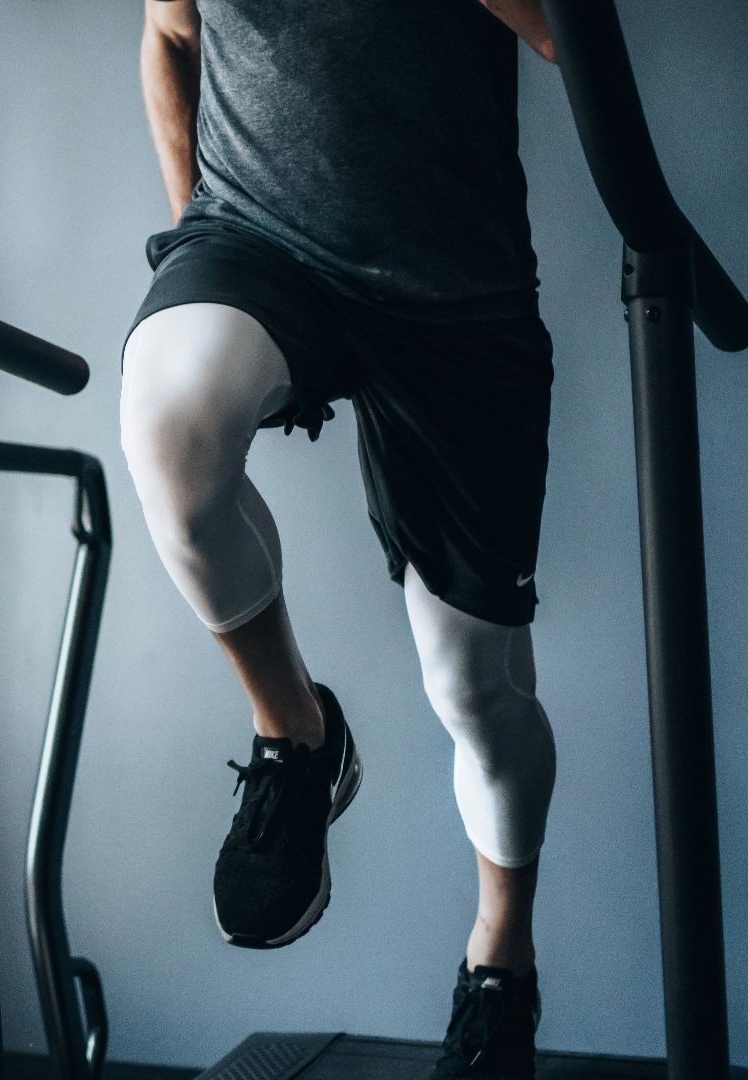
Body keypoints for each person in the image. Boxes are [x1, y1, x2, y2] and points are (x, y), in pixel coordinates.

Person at [125, 2, 560, 1076]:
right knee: (170, 424)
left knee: (475, 689)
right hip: (258, 240)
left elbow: (564, 34)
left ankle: (499, 954)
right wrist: (192, 227)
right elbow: (173, 35)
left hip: (455, 289)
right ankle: (298, 735)